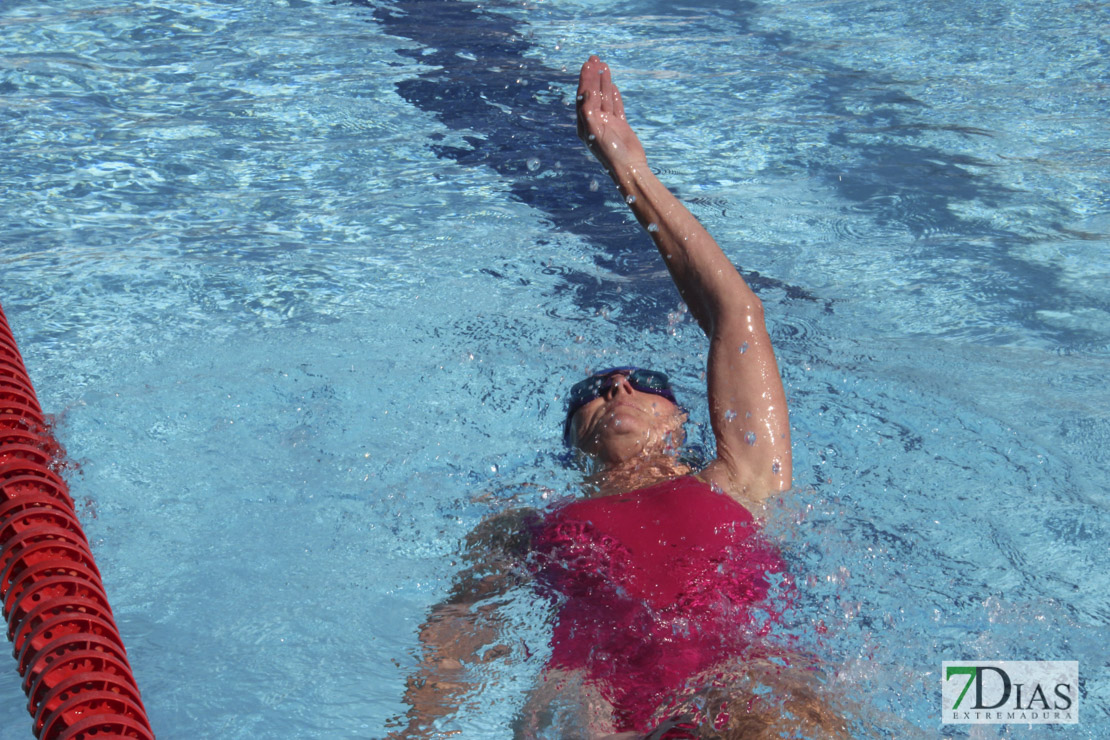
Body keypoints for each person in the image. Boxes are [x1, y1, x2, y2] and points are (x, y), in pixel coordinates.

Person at [389, 56, 848, 739]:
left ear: (685, 418)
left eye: (646, 383)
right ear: (574, 440)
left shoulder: (743, 479)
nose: (619, 386)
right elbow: (453, 640)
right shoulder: (523, 528)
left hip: (740, 702)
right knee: (570, 700)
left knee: (769, 690)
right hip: (590, 714)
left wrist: (628, 168)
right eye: (593, 392)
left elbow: (736, 314)